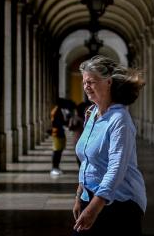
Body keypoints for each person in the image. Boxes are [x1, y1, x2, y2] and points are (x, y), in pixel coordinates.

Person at [72, 55, 147, 235]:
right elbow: (87, 160)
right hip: (90, 197)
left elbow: (116, 168)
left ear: (109, 82)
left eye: (91, 82)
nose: (86, 87)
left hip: (120, 203)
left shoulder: (119, 119)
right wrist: (79, 196)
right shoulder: (91, 113)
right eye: (84, 82)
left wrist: (93, 208)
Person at [50, 100, 68, 177]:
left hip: (59, 132)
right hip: (57, 133)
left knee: (59, 150)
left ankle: (56, 167)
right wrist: (66, 123)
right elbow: (57, 122)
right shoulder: (56, 111)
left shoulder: (58, 110)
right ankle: (54, 168)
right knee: (57, 151)